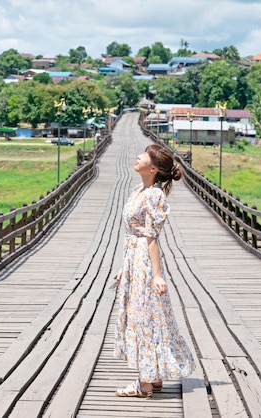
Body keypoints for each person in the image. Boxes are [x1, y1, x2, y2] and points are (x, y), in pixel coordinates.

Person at [114, 143, 195, 398]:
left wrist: (157, 275)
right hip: (133, 260)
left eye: (143, 156)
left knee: (144, 317)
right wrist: (123, 267)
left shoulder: (154, 196)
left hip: (144, 263)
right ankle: (154, 376)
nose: (137, 157)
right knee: (148, 315)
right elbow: (134, 234)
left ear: (153, 168)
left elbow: (151, 238)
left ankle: (144, 383)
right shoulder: (140, 189)